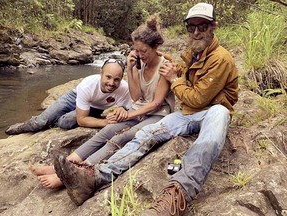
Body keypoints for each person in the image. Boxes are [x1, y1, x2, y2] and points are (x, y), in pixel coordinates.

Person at [54, 2, 239, 213]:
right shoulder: (194, 52)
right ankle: (96, 177)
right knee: (147, 133)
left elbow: (197, 99)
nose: (196, 32)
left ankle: (177, 195)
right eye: (191, 27)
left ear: (213, 26)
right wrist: (166, 66)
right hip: (187, 113)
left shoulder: (221, 58)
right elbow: (181, 74)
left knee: (212, 132)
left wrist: (173, 79)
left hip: (212, 110)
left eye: (202, 26)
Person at [31, 15, 175, 191]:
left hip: (158, 114)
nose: (139, 54)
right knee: (107, 130)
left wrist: (128, 114)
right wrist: (129, 69)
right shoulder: (140, 63)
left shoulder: (165, 66)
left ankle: (77, 172)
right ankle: (63, 166)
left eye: (143, 51)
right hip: (139, 110)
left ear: (155, 48)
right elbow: (136, 97)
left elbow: (155, 104)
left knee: (121, 137)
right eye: (136, 50)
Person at [5, 58, 131, 135]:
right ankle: (19, 127)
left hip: (94, 108)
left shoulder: (124, 88)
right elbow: (82, 120)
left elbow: (126, 107)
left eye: (116, 79)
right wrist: (105, 122)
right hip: (73, 97)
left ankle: (54, 120)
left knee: (65, 122)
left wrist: (122, 109)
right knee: (40, 123)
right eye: (108, 77)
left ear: (121, 79)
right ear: (101, 73)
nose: (111, 83)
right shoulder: (87, 85)